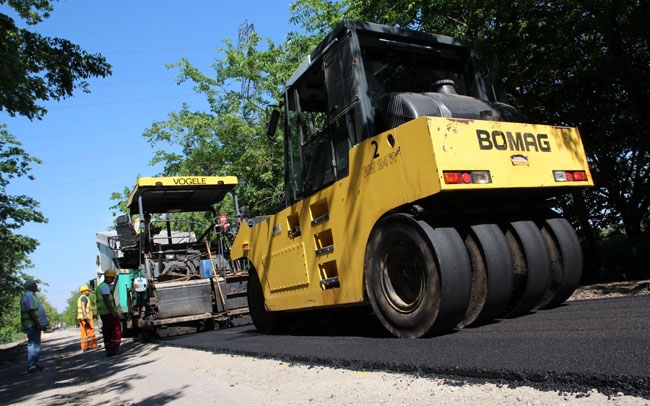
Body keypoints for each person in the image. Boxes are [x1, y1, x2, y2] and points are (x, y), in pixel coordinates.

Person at [20, 280, 48, 374]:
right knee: (33, 345)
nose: (36, 285)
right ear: (29, 286)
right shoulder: (29, 296)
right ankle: (32, 366)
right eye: (34, 284)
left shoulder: (30, 295)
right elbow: (31, 311)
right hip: (32, 324)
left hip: (32, 324)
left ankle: (34, 364)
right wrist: (37, 323)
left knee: (34, 345)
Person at [95, 270, 122, 357]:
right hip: (108, 313)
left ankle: (109, 349)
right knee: (116, 330)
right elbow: (107, 300)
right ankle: (114, 348)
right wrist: (113, 312)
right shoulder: (105, 287)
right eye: (112, 278)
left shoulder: (100, 286)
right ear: (108, 278)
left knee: (107, 332)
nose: (113, 280)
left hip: (103, 313)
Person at [77, 285, 98, 351]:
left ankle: (85, 347)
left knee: (83, 332)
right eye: (88, 290)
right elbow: (83, 306)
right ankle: (93, 345)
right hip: (85, 317)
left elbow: (77, 309)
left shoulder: (79, 298)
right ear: (85, 291)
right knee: (90, 330)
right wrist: (85, 316)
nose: (88, 292)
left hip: (80, 317)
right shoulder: (84, 298)